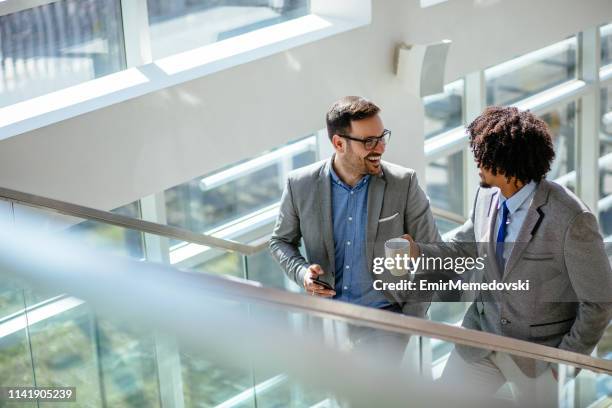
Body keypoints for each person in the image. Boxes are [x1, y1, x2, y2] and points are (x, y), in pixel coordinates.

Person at [409, 106, 612, 405]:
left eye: (482, 156)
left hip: (538, 358)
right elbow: (466, 248)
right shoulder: (486, 194)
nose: (476, 163)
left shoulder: (570, 218)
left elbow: (599, 300)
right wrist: (417, 252)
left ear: (506, 164)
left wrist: (564, 361)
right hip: (481, 338)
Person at [269, 95, 441, 318]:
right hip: (327, 319)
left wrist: (410, 317)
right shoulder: (300, 185)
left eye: (382, 137)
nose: (380, 148)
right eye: (369, 141)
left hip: (387, 318)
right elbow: (280, 241)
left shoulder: (403, 183)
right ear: (339, 144)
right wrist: (302, 273)